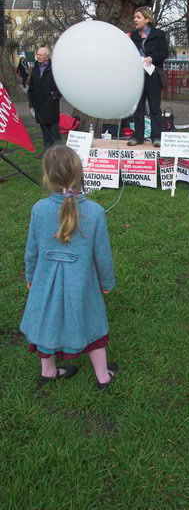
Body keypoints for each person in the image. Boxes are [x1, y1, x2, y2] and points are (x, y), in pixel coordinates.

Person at [20, 145, 117, 389]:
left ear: (47, 177)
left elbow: (31, 251)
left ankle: (49, 371)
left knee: (45, 322)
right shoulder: (94, 212)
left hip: (43, 282)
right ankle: (102, 377)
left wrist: (30, 276)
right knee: (92, 325)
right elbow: (102, 256)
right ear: (80, 173)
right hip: (82, 285)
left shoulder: (39, 209)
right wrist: (106, 284)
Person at [126, 7, 169, 148]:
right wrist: (125, 41)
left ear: (147, 19)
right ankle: (138, 136)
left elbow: (164, 52)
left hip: (153, 75)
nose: (135, 20)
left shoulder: (159, 34)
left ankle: (156, 136)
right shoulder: (133, 35)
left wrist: (152, 57)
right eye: (134, 17)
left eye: (138, 17)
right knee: (138, 107)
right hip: (137, 76)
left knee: (154, 107)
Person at [28, 47, 61, 158]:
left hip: (51, 104)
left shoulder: (55, 68)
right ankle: (47, 152)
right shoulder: (35, 68)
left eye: (41, 55)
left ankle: (57, 153)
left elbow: (61, 85)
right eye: (37, 54)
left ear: (47, 56)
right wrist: (31, 102)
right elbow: (31, 86)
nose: (38, 56)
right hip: (39, 105)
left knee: (54, 131)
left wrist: (55, 96)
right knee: (44, 130)